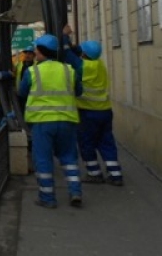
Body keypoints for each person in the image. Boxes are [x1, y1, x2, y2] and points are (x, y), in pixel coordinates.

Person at [18, 34, 82, 209]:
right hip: (67, 120)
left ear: (41, 52)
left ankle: (47, 198)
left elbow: (22, 92)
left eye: (36, 50)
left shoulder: (33, 71)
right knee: (69, 158)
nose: (35, 53)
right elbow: (78, 91)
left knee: (43, 159)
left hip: (42, 123)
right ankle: (75, 191)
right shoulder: (69, 70)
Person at [62, 36, 124, 185]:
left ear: (84, 54)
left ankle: (94, 173)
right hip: (105, 111)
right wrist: (73, 45)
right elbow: (77, 54)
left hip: (88, 113)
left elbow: (68, 56)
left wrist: (64, 36)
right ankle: (115, 175)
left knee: (87, 143)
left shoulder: (84, 67)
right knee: (106, 142)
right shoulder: (99, 64)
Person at [13, 46, 36, 115]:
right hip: (20, 93)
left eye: (30, 53)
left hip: (31, 94)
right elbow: (14, 75)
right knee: (20, 111)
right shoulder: (19, 64)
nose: (27, 55)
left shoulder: (36, 66)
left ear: (34, 55)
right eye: (26, 53)